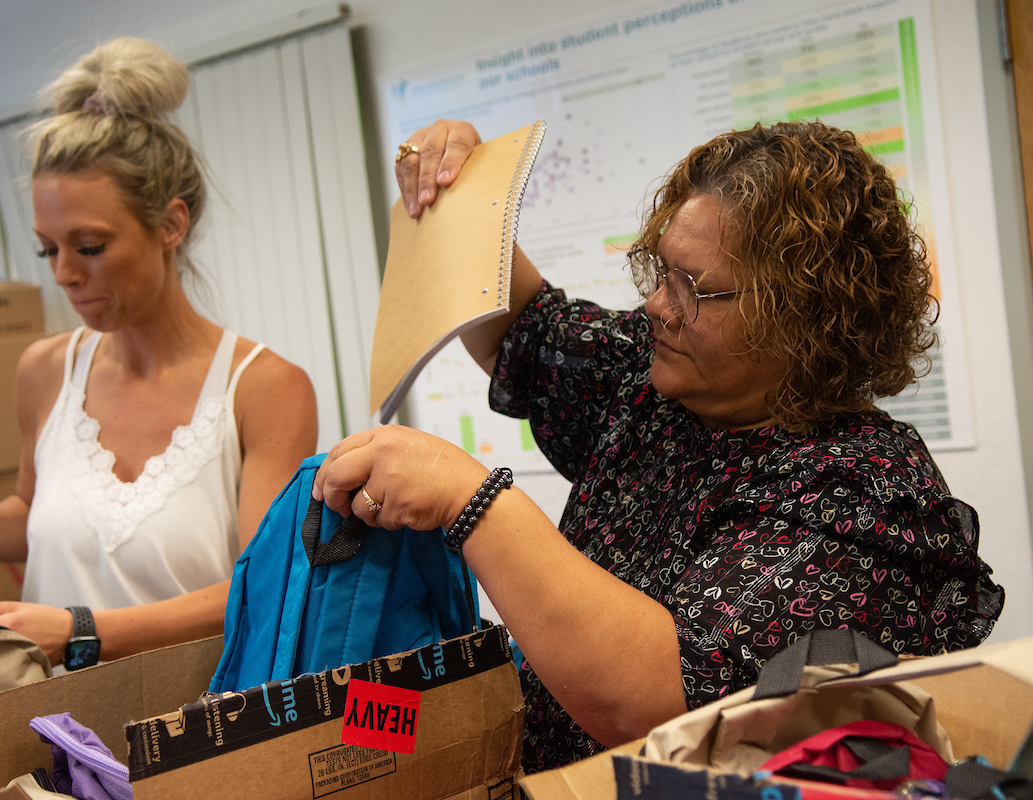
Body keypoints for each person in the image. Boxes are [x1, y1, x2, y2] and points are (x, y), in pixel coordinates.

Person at [312, 119, 1004, 772]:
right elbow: (516, 328)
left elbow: (664, 702)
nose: (657, 306)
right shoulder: (655, 380)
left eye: (694, 289)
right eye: (659, 270)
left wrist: (473, 500)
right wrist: (457, 185)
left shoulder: (862, 490)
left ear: (805, 321)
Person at [0, 38, 317, 667]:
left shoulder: (263, 389)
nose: (62, 274)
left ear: (172, 224)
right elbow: (35, 522)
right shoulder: (45, 371)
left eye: (88, 246)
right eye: (47, 249)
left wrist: (82, 630)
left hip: (194, 730)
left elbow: (266, 592)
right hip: (43, 731)